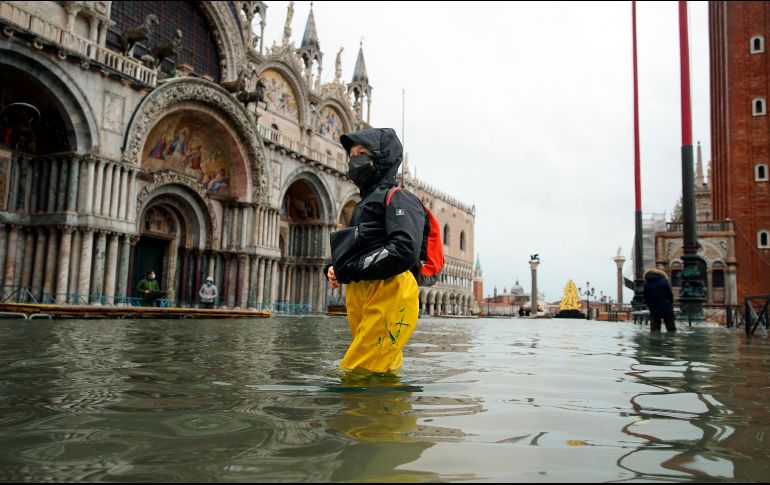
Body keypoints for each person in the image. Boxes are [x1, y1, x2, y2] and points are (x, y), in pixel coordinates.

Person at [326, 128, 426, 374]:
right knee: (381, 369)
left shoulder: (400, 198)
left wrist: (350, 270)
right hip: (364, 292)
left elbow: (404, 250)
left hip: (390, 290)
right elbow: (362, 245)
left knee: (360, 372)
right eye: (351, 155)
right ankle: (386, 411)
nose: (354, 160)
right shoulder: (363, 205)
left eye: (362, 153)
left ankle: (366, 412)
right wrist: (334, 268)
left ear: (382, 158)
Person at [643, 268, 676, 332]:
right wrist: (670, 303)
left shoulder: (646, 283)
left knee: (655, 331)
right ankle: (670, 341)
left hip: (653, 307)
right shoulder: (664, 281)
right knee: (671, 330)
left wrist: (650, 306)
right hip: (666, 307)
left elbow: (646, 297)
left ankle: (656, 341)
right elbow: (670, 294)